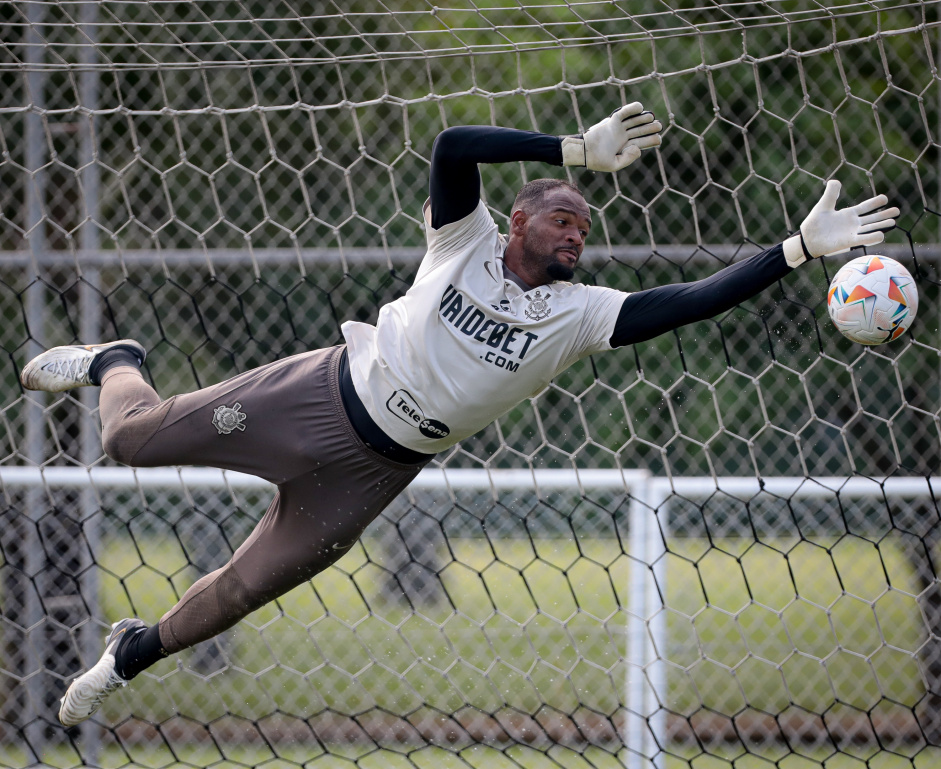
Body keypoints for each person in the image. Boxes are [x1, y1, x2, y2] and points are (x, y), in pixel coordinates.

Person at [20, 103, 898, 728]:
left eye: (583, 228)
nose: (575, 233)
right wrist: (574, 149)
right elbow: (453, 144)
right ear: (515, 220)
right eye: (561, 217)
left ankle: (130, 654)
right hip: (319, 396)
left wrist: (794, 250)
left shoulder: (579, 313)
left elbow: (693, 299)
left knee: (241, 591)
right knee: (127, 437)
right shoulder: (462, 239)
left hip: (375, 472)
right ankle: (115, 359)